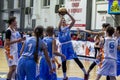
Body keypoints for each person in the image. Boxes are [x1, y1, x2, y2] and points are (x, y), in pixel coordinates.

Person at [58, 11, 87, 80]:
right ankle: (65, 77)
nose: (63, 21)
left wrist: (67, 13)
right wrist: (61, 17)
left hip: (69, 45)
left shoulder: (68, 28)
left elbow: (73, 21)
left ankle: (85, 73)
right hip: (63, 46)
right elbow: (58, 26)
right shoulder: (60, 29)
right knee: (63, 61)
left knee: (76, 59)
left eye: (64, 21)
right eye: (62, 21)